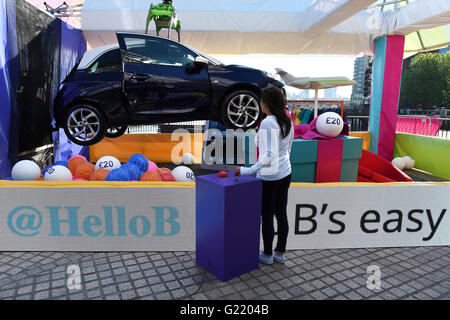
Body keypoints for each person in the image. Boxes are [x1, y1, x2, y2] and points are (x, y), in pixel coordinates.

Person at [235, 86, 294, 265]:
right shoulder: (287, 120)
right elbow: (285, 149)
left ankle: (267, 255)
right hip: (285, 172)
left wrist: (247, 170)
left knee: (267, 216)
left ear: (265, 103)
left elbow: (268, 155)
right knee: (281, 214)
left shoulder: (268, 122)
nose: (259, 104)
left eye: (260, 100)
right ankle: (280, 253)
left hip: (270, 177)